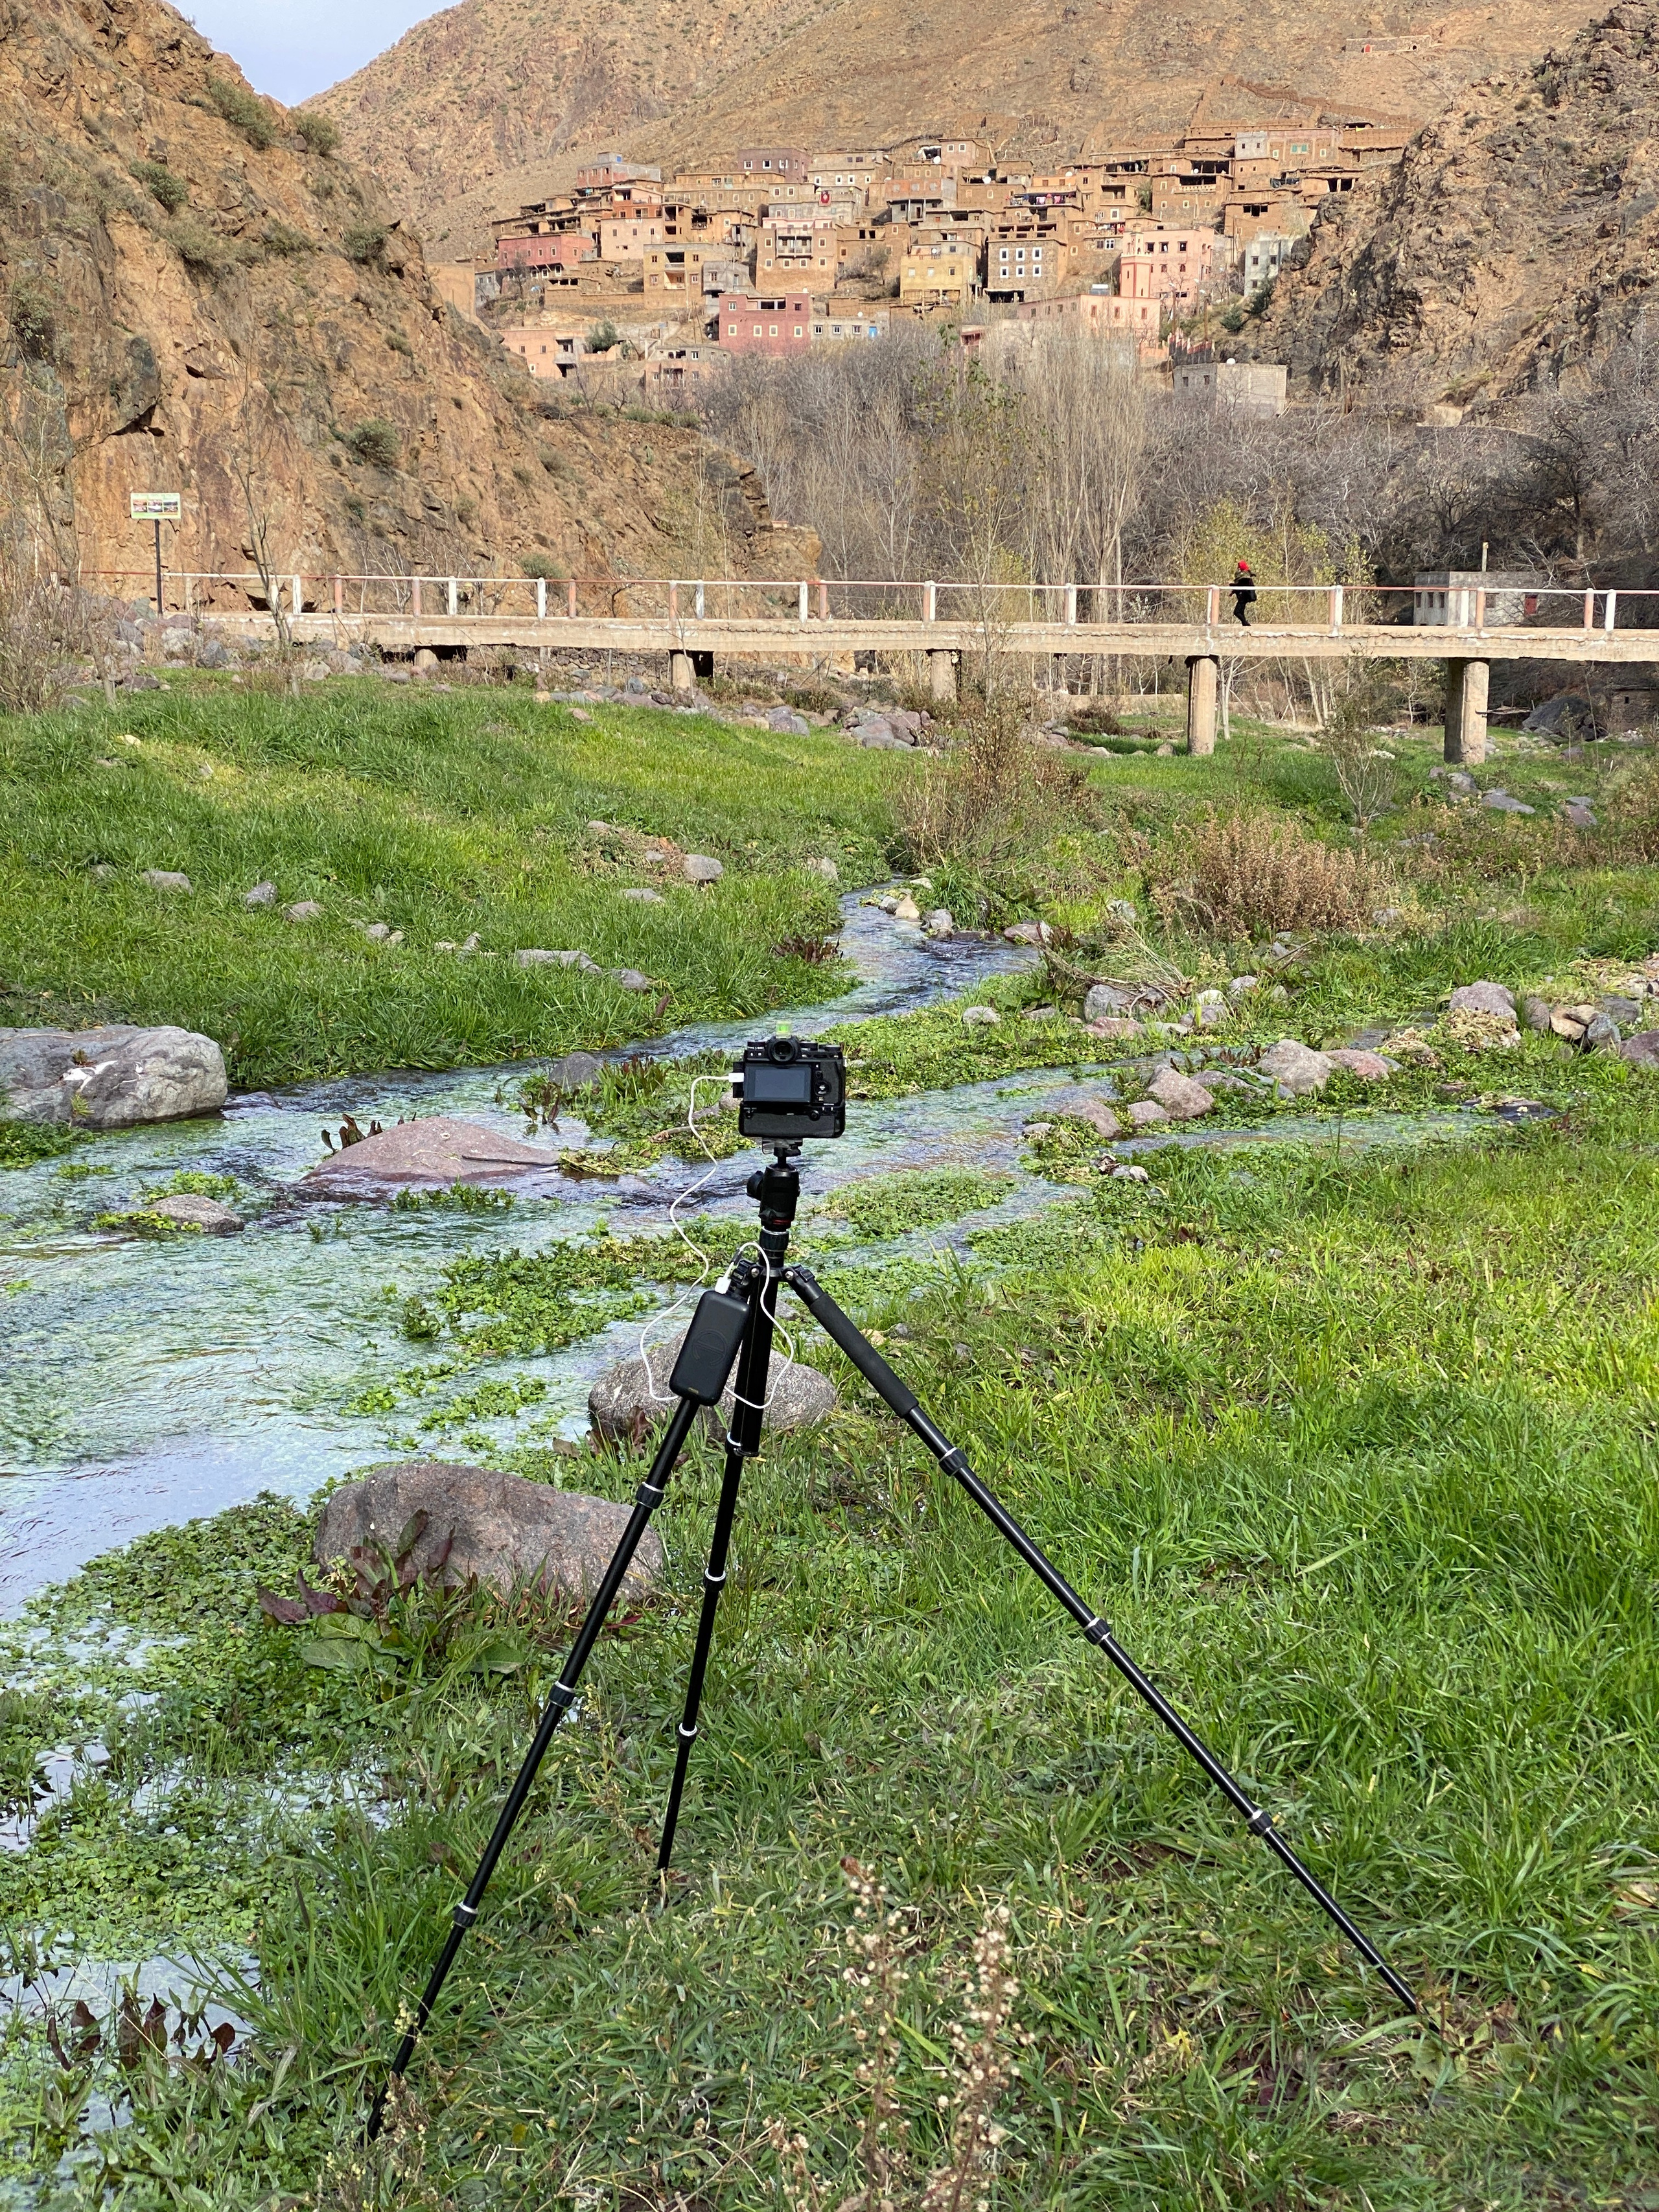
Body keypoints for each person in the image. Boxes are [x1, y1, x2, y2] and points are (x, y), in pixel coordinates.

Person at [1231, 559, 1257, 627]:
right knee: (1241, 612)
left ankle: (1246, 623)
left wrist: (1231, 585)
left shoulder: (1245, 577)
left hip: (1244, 596)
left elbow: (1241, 586)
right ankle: (1245, 624)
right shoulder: (1245, 575)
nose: (1238, 568)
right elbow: (1240, 586)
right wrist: (1233, 592)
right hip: (1243, 596)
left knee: (1237, 612)